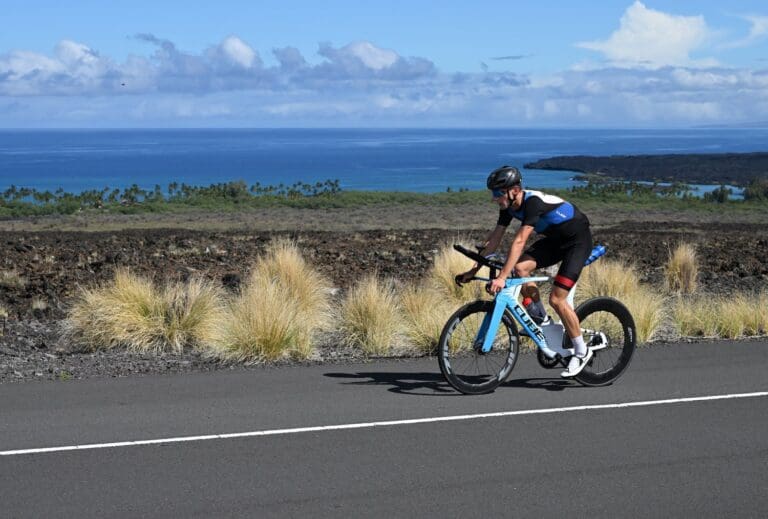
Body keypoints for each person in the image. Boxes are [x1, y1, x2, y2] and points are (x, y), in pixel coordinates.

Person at [456, 165, 594, 377]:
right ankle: (542, 320)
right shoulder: (508, 207)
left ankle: (581, 351)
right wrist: (473, 271)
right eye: (492, 193)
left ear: (515, 190)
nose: (494, 198)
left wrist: (502, 277)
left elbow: (520, 241)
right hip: (556, 241)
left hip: (577, 241)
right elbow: (494, 239)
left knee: (557, 300)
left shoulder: (533, 203)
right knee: (520, 268)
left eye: (497, 193)